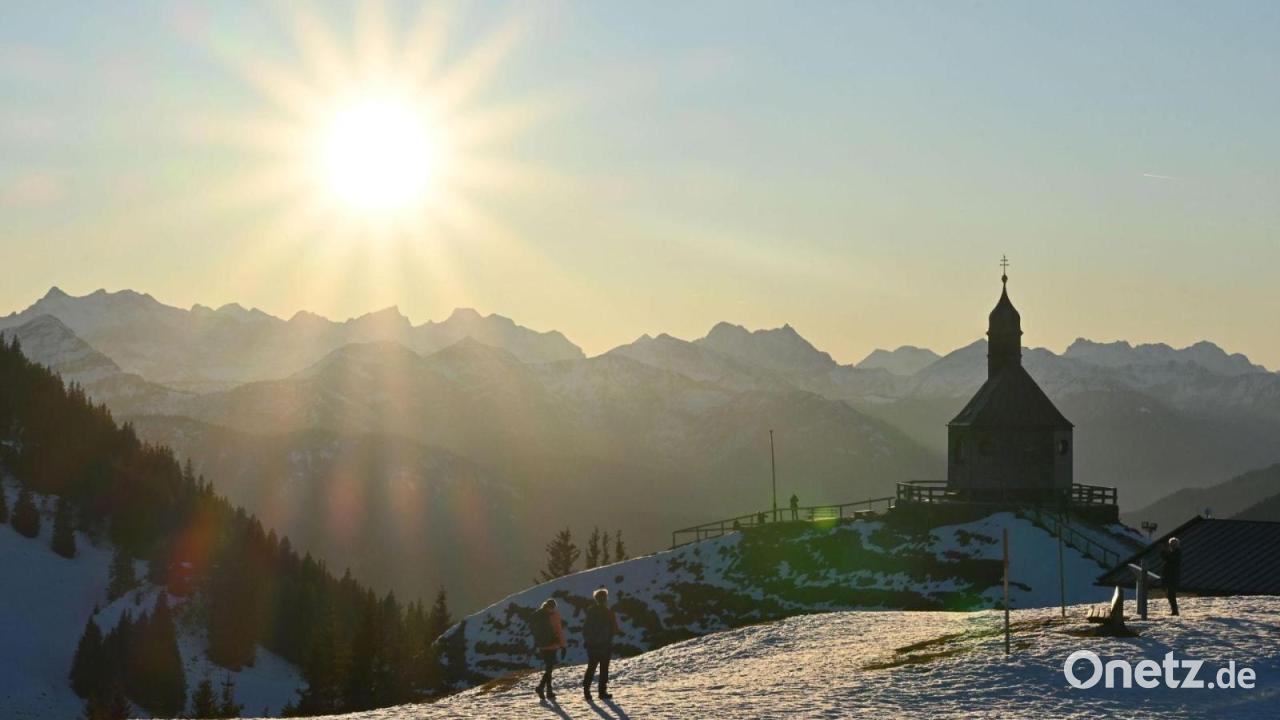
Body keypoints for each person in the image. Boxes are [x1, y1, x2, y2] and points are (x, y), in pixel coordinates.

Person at [582, 588, 621, 701]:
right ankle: (602, 692)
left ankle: (586, 691)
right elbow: (615, 629)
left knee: (591, 667)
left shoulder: (590, 612)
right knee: (604, 668)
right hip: (605, 645)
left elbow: (585, 629)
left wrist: (589, 640)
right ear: (605, 599)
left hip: (592, 645)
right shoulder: (609, 612)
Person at [530, 598, 566, 701]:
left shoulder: (537, 615)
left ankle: (549, 691)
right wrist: (563, 646)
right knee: (549, 668)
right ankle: (541, 687)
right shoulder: (554, 615)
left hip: (542, 645)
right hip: (552, 645)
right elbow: (559, 631)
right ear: (553, 606)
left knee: (548, 667)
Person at [1161, 537, 1182, 616]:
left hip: (1172, 577)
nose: (1171, 546)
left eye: (1173, 544)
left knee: (1171, 595)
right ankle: (1174, 611)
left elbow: (1169, 559)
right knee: (1170, 595)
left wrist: (1163, 552)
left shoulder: (1177, 552)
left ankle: (1175, 611)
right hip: (1170, 577)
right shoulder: (1175, 552)